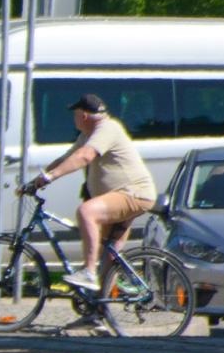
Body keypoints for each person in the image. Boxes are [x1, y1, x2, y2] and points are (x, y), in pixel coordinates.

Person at [21, 93, 156, 291]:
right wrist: (34, 183)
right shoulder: (88, 135)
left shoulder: (107, 128)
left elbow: (85, 157)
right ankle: (99, 306)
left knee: (86, 212)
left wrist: (51, 177)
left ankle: (89, 272)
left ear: (83, 115)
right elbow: (66, 159)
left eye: (74, 115)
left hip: (133, 194)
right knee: (109, 253)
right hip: (120, 195)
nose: (74, 119)